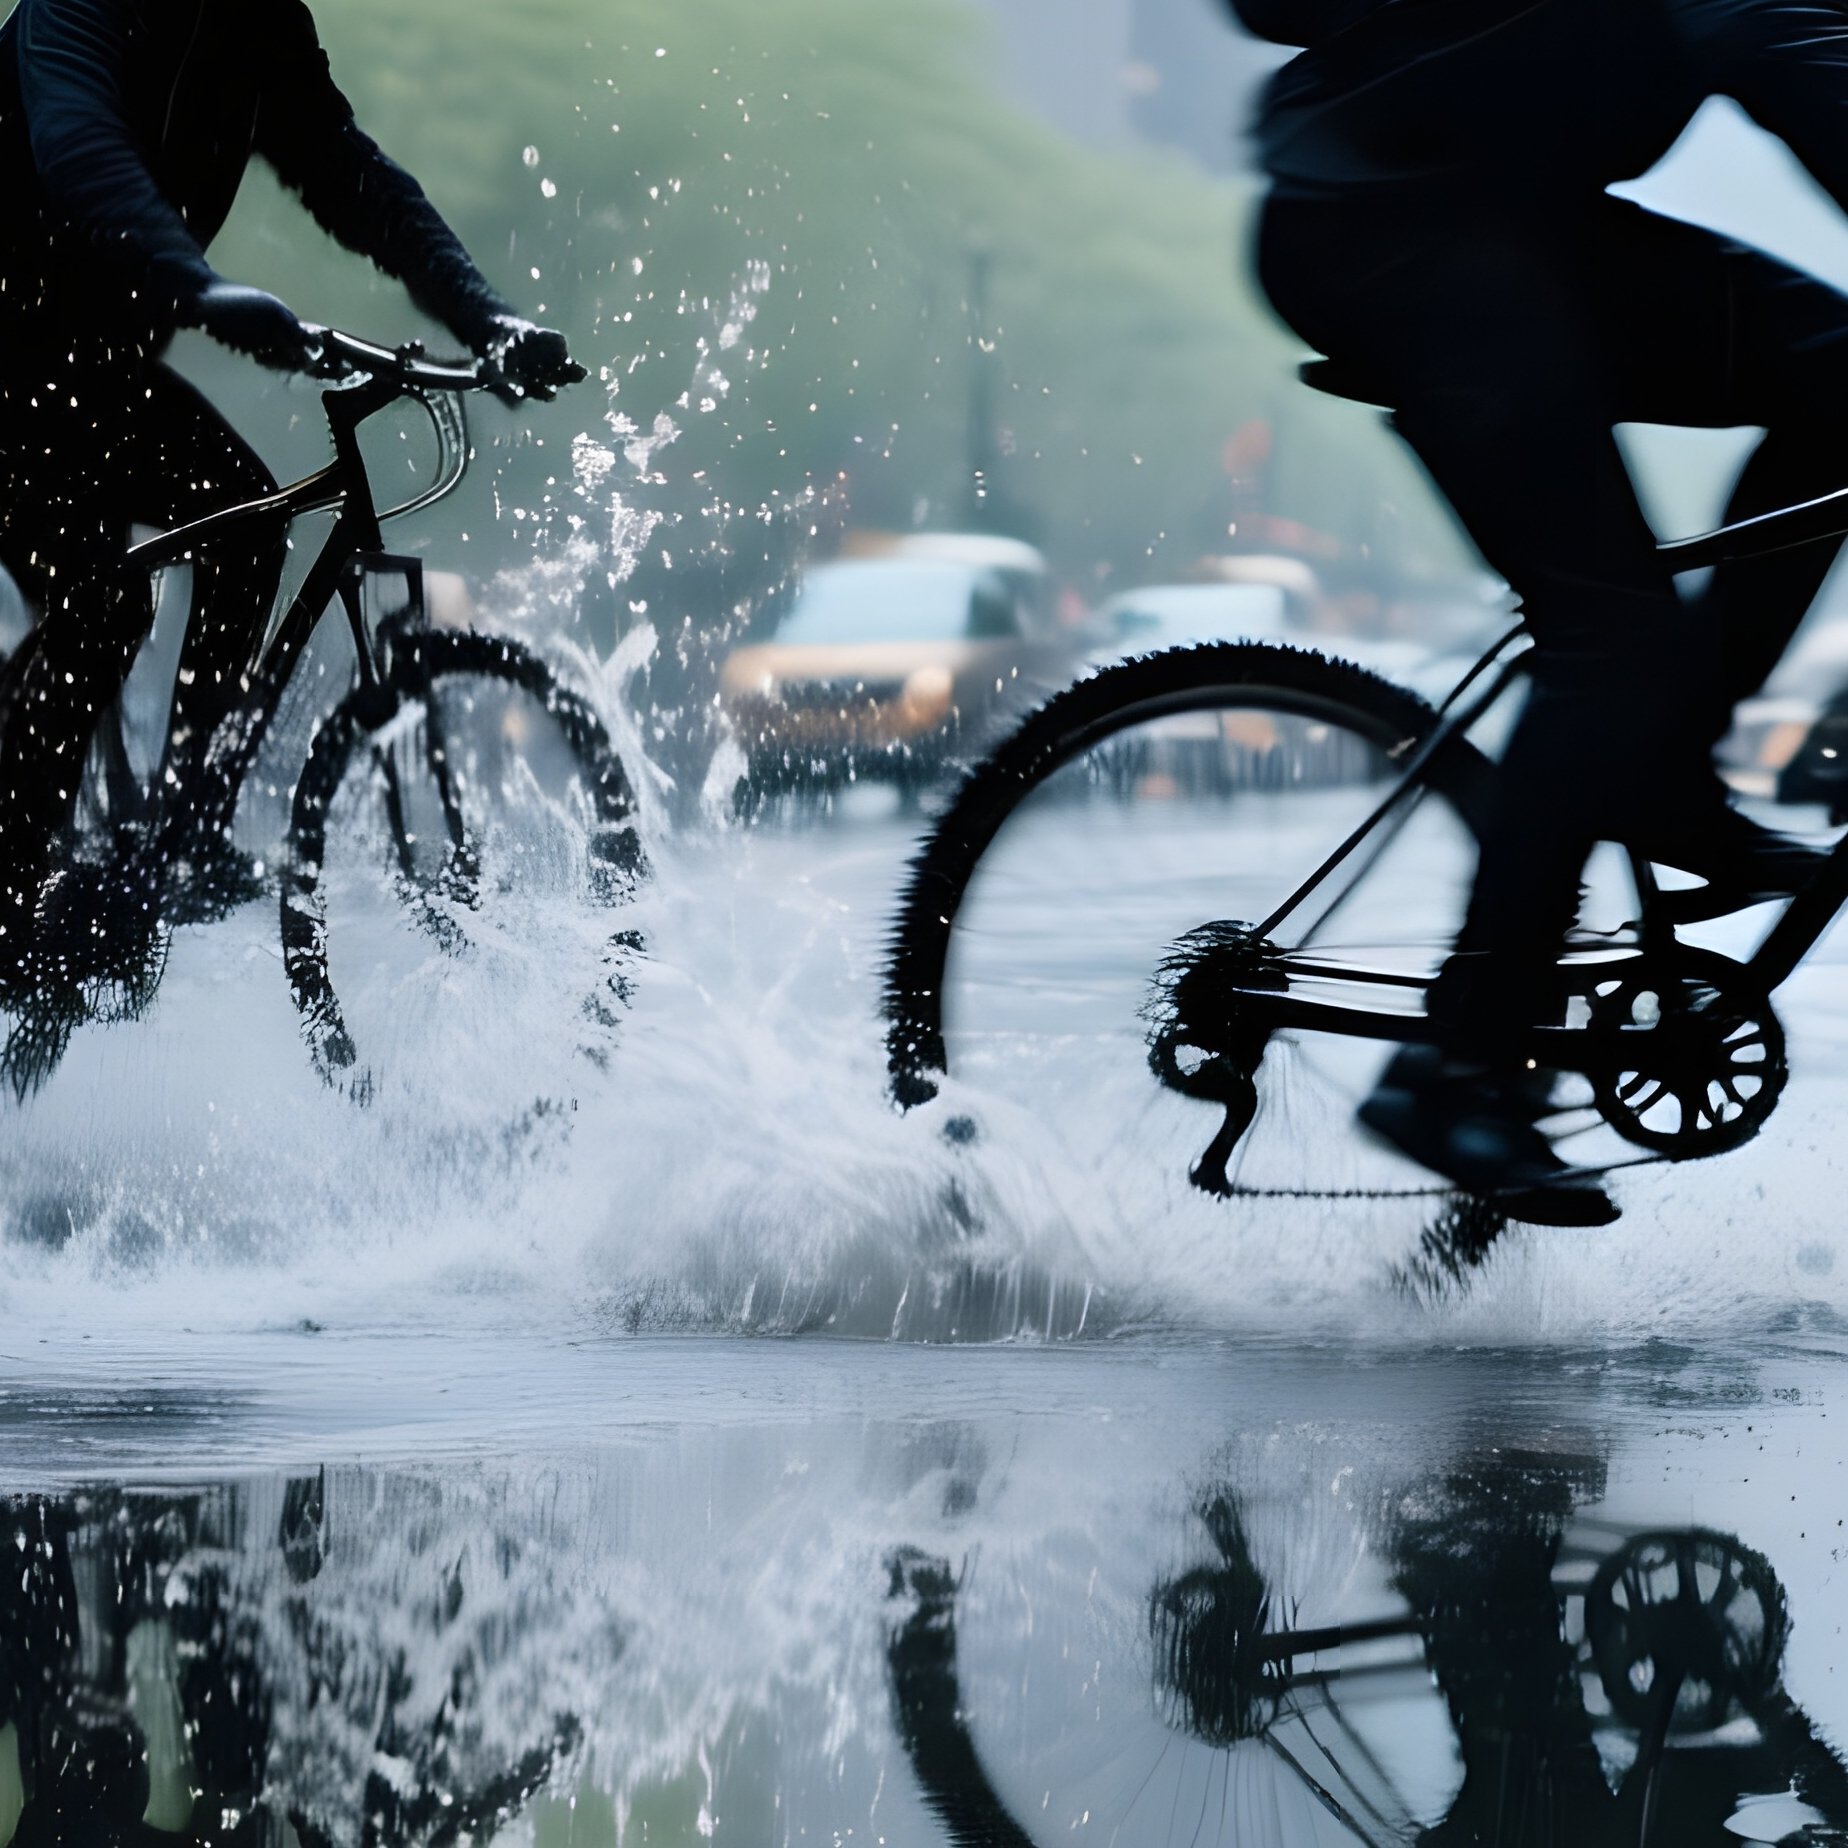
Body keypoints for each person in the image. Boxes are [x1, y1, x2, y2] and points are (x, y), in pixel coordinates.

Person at [1233, 0, 1848, 1224]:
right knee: (1611, 638)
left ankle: (1662, 775)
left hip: (1506, 222)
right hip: (1394, 230)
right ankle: (1459, 1065)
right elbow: (1784, 49)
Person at [0, 0, 582, 986]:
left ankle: (177, 832)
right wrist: (200, 286)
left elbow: (357, 183)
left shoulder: (258, 25)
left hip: (103, 369)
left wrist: (487, 318)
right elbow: (77, 148)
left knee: (248, 526)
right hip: (13, 362)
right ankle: (8, 895)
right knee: (102, 610)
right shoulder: (81, 8)